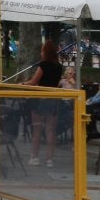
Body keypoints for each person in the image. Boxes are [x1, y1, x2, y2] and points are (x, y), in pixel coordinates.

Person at [26, 38, 64, 168]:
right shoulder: (59, 67)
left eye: (42, 50)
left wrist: (22, 84)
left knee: (37, 129)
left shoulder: (43, 66)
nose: (41, 53)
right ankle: (49, 159)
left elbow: (33, 82)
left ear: (45, 52)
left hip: (40, 100)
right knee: (50, 131)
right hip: (53, 100)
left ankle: (35, 157)